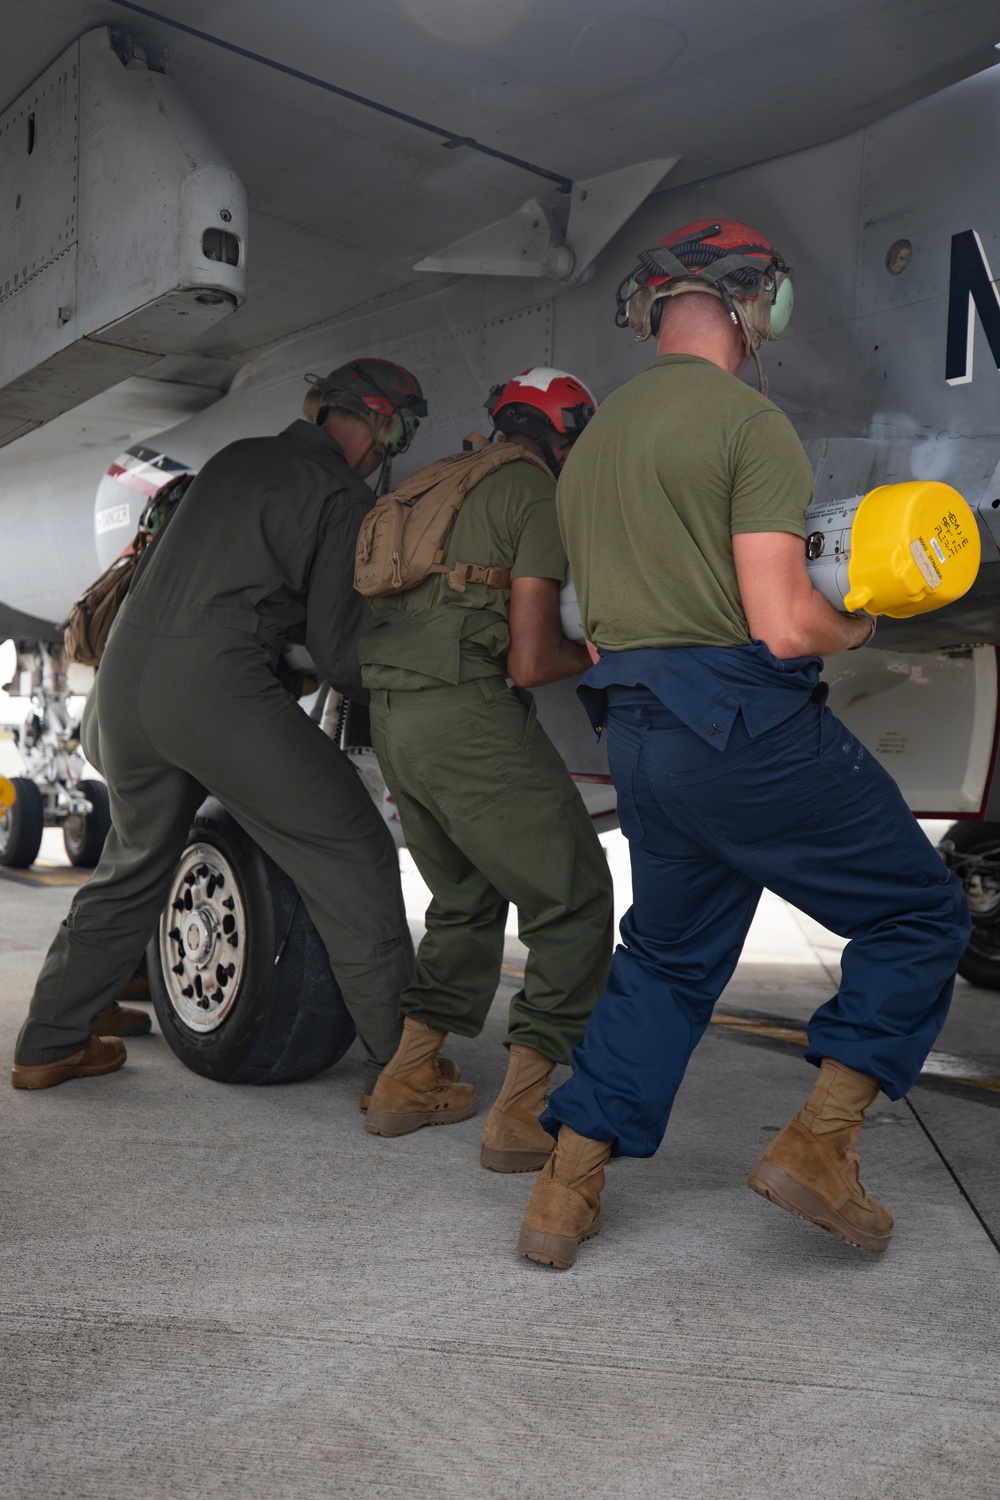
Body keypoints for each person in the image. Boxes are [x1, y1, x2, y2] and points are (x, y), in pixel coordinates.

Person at [517, 220, 971, 1268]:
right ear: (751, 304)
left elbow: (589, 627)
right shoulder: (748, 425)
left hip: (638, 734)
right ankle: (818, 1148)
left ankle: (561, 1192)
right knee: (917, 913)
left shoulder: (587, 455)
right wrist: (853, 625)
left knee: (667, 961)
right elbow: (778, 621)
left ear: (654, 306)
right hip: (742, 724)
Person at [12, 359, 428, 1106]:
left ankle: (50, 1040)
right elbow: (339, 651)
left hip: (122, 691)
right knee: (352, 844)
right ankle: (404, 1070)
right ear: (380, 425)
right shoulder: (342, 492)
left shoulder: (236, 458)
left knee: (134, 863)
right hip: (209, 694)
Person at [360, 368, 615, 1173]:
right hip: (469, 719)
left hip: (394, 721)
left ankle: (406, 1080)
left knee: (465, 895)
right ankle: (521, 1112)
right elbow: (535, 659)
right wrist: (597, 651)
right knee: (572, 895)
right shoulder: (531, 492)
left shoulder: (443, 479)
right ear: (563, 432)